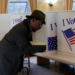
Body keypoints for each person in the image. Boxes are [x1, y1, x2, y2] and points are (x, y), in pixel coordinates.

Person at [0, 10, 46, 75]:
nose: (40, 27)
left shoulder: (26, 27)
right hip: (5, 59)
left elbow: (25, 45)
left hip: (8, 57)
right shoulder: (22, 28)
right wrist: (44, 47)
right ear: (33, 20)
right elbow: (25, 49)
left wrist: (25, 50)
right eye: (40, 24)